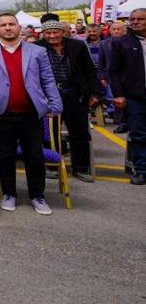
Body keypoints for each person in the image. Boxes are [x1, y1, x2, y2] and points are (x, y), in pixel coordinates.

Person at [0, 13, 63, 214]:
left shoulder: (37, 51)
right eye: (3, 25)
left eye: (11, 24)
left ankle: (37, 196)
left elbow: (47, 79)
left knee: (35, 156)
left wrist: (55, 103)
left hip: (31, 113)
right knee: (5, 156)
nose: (7, 28)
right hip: (1, 112)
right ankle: (9, 194)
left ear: (18, 27)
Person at [36, 18, 103, 182]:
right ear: (43, 34)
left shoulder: (77, 46)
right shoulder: (37, 49)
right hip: (49, 96)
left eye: (55, 32)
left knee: (80, 132)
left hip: (74, 93)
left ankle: (80, 168)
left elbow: (90, 71)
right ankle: (51, 166)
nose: (52, 36)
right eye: (48, 33)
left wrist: (95, 93)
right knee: (49, 133)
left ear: (62, 32)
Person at [108, 8, 146, 185]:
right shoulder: (121, 42)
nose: (136, 22)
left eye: (140, 19)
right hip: (135, 96)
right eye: (133, 19)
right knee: (138, 133)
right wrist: (119, 95)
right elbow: (113, 71)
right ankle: (141, 170)